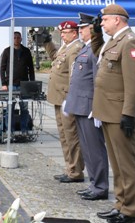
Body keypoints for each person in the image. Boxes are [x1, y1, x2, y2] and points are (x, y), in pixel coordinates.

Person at [91, 4, 135, 223]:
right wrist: (95, 34)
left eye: (104, 20)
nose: (102, 23)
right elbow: (99, 55)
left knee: (127, 164)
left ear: (117, 20)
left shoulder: (130, 42)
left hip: (120, 112)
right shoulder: (114, 42)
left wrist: (129, 113)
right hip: (108, 111)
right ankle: (120, 204)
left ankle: (130, 211)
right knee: (117, 163)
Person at [65, 14, 109, 201]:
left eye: (83, 28)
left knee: (95, 148)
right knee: (87, 148)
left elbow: (98, 80)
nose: (80, 31)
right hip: (80, 105)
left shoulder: (95, 50)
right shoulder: (85, 48)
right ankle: (94, 183)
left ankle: (100, 186)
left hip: (90, 106)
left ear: (92, 29)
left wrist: (97, 107)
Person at [43, 21, 85, 183]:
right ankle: (70, 168)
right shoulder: (65, 47)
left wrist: (71, 98)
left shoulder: (76, 48)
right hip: (59, 98)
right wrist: (47, 42)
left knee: (71, 136)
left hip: (67, 98)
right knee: (64, 135)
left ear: (74, 33)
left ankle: (75, 170)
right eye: (61, 32)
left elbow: (74, 76)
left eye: (65, 32)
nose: (62, 35)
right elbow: (55, 58)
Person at [0, 31, 36, 132]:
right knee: (10, 109)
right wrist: (4, 83)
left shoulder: (26, 51)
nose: (16, 39)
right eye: (14, 37)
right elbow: (2, 68)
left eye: (18, 37)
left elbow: (31, 68)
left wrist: (32, 83)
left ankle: (24, 129)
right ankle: (9, 130)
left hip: (24, 84)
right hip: (11, 84)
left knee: (24, 108)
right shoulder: (7, 51)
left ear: (21, 39)